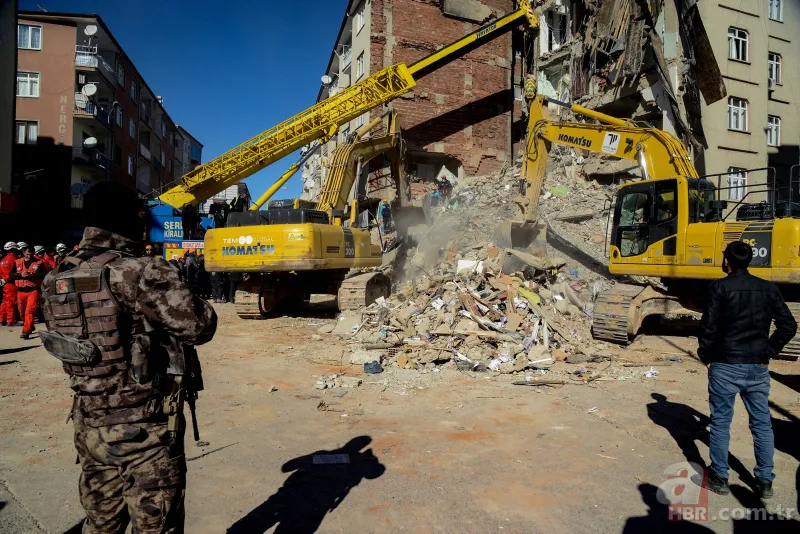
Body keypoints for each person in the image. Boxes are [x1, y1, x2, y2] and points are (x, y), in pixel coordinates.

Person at [39, 182, 217, 533]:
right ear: (126, 218)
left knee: (101, 521)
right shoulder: (140, 270)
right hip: (144, 428)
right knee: (156, 525)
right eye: (140, 215)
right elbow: (199, 326)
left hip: (88, 423)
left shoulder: (56, 276)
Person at [698, 241, 797, 499]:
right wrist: (769, 351)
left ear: (727, 262)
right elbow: (788, 325)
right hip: (757, 366)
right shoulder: (768, 288)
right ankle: (764, 481)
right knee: (762, 424)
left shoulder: (718, 287)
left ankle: (719, 477)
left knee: (720, 423)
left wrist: (706, 356)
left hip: (725, 364)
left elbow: (708, 327)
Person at [10, 244, 45, 339]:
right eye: (27, 254)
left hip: (32, 290)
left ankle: (26, 331)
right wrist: (20, 275)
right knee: (21, 312)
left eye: (31, 255)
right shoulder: (17, 262)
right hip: (20, 291)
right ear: (23, 252)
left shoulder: (39, 263)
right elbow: (11, 275)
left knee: (30, 311)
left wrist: (34, 275)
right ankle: (30, 325)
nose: (29, 257)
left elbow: (43, 275)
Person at [0, 241, 19, 326]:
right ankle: (11, 321)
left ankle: (2, 319)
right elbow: (13, 273)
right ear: (13, 250)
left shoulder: (3, 260)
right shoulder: (14, 260)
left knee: (5, 301)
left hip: (4, 283)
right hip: (11, 283)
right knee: (11, 302)